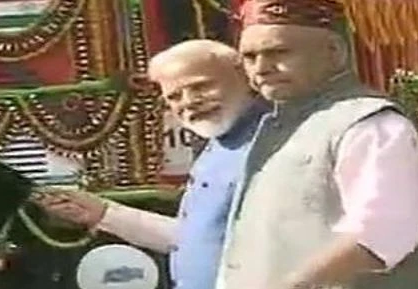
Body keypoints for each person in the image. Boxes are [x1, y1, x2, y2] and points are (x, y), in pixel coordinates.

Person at [217, 0, 418, 289]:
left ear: (334, 52)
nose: (261, 67)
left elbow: (381, 232)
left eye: (279, 52)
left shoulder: (370, 123)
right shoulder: (273, 124)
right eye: (249, 57)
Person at [37, 39, 268, 289]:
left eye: (201, 86)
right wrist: (103, 214)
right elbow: (193, 238)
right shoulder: (218, 147)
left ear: (243, 75)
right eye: (174, 96)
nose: (189, 102)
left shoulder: (278, 142)